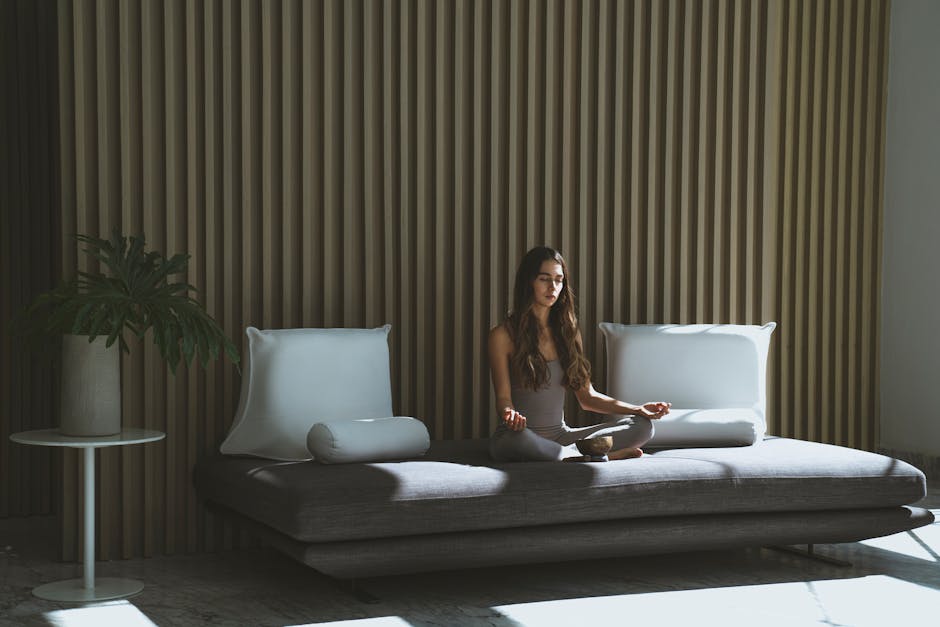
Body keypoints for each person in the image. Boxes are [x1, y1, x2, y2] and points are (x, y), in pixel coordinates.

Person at [489, 246, 671, 462]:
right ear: (529, 282)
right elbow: (503, 397)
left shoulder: (569, 333)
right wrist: (509, 415)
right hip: (521, 437)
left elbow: (587, 398)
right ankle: (598, 456)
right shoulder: (502, 335)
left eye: (559, 280)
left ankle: (572, 456)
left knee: (642, 427)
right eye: (544, 279)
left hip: (561, 437)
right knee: (513, 439)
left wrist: (638, 409)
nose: (553, 287)